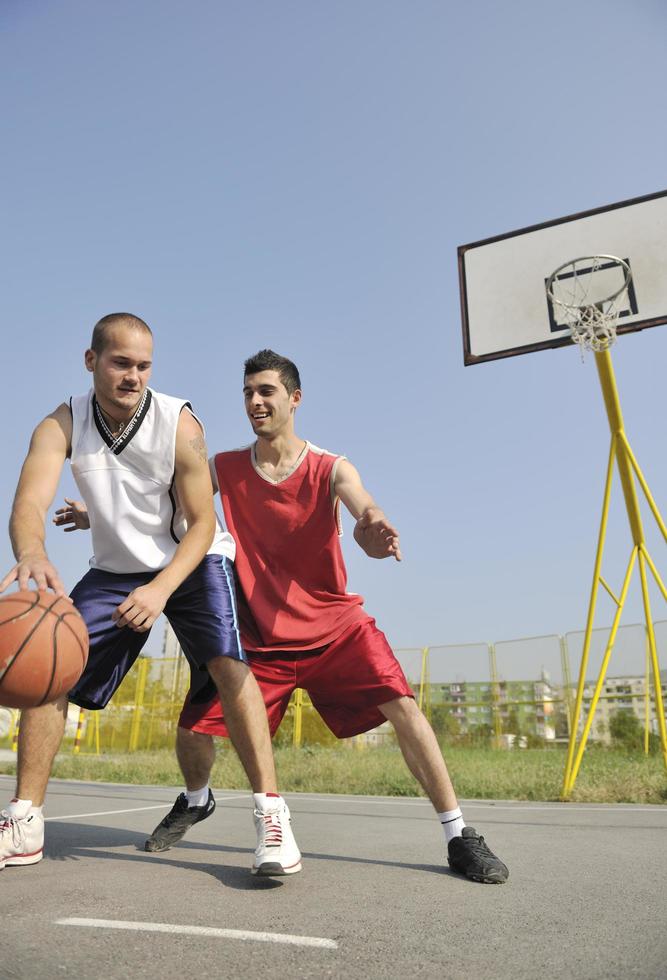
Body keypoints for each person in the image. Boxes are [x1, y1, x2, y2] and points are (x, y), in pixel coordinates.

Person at [147, 348, 510, 884]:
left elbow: (361, 503)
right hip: (261, 639)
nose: (255, 401)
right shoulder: (224, 466)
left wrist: (374, 521)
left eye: (266, 391)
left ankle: (458, 834)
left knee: (404, 707)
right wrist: (96, 513)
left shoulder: (329, 466)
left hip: (334, 630)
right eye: (248, 392)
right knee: (192, 730)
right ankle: (197, 800)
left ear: (294, 398)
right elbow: (169, 499)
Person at [0, 318, 300, 877]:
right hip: (116, 569)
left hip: (194, 558)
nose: (133, 376)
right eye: (121, 363)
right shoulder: (60, 423)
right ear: (91, 361)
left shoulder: (178, 422)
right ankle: (24, 821)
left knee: (229, 666)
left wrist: (161, 589)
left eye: (143, 366)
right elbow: (28, 500)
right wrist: (33, 553)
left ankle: (272, 817)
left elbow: (205, 522)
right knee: (49, 663)